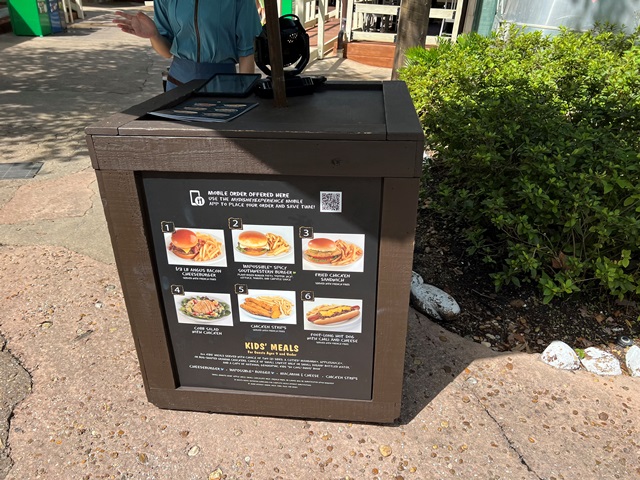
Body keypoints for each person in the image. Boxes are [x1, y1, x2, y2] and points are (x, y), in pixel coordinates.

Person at [113, 1, 262, 91]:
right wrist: (154, 35)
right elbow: (167, 52)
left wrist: (244, 94)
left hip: (223, 86)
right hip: (177, 86)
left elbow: (247, 52)